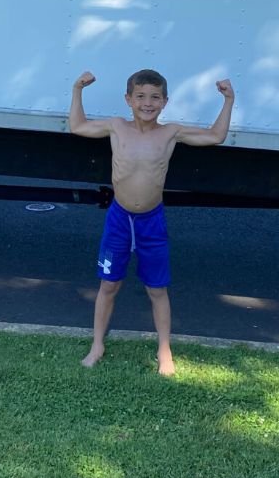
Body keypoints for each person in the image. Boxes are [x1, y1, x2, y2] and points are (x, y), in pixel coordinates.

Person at [69, 68, 235, 375]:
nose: (148, 103)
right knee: (108, 285)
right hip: (119, 218)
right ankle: (97, 345)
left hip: (151, 221)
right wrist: (78, 88)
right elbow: (77, 126)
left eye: (155, 97)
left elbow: (215, 136)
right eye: (141, 96)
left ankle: (164, 351)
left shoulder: (170, 132)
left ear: (165, 101)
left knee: (157, 289)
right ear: (128, 99)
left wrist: (228, 99)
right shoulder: (117, 126)